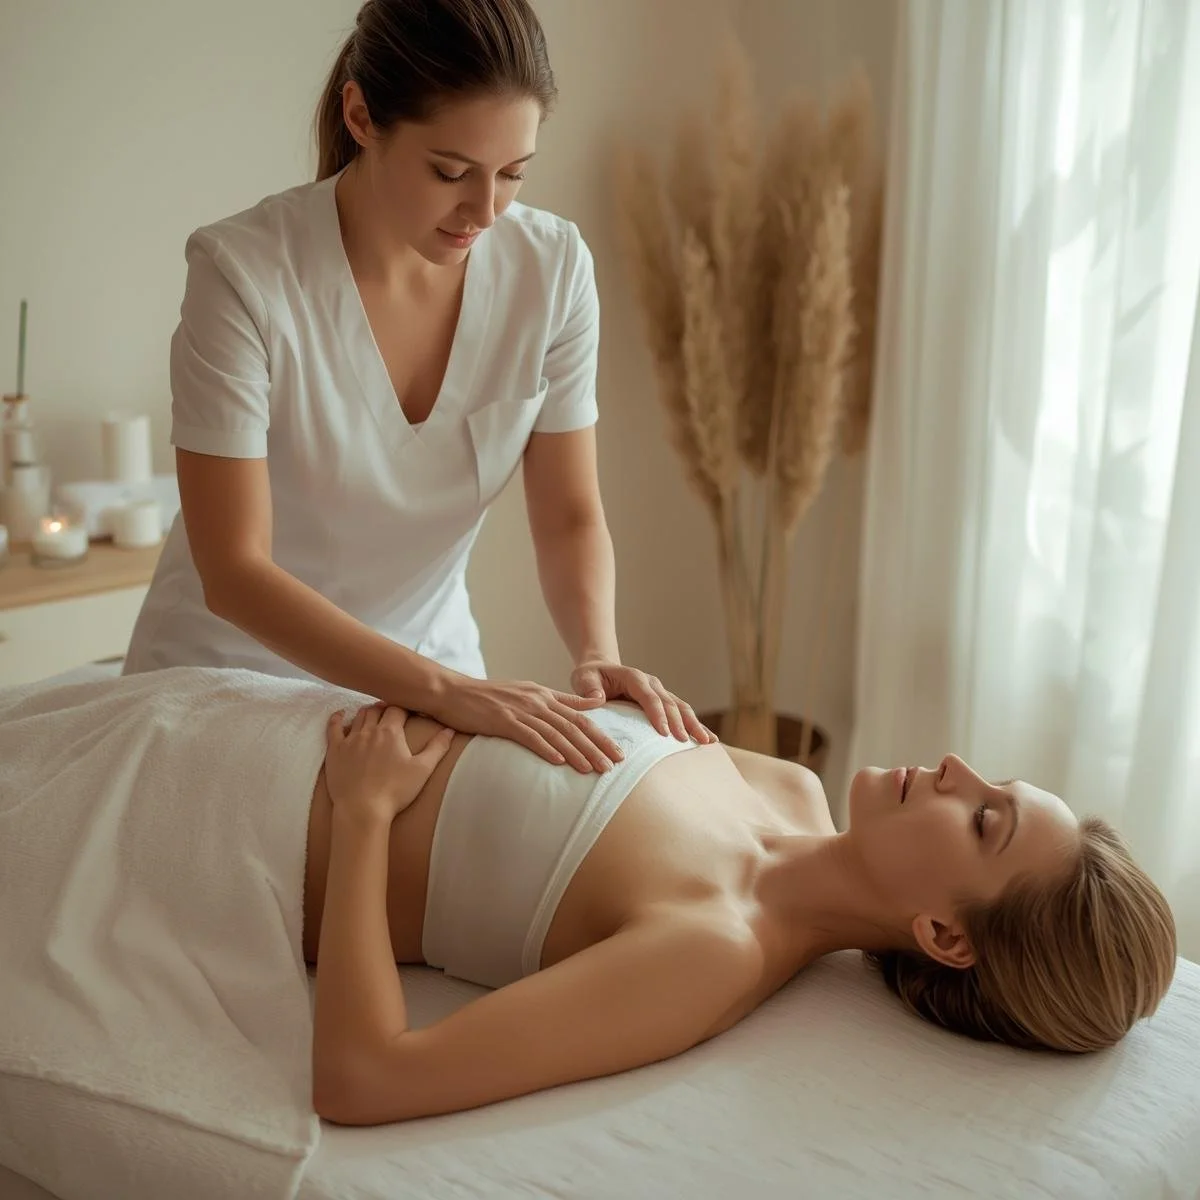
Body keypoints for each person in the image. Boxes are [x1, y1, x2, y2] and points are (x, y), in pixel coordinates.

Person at [122, 0, 713, 773]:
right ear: (362, 116)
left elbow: (570, 514)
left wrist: (596, 653)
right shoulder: (245, 275)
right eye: (450, 171)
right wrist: (448, 692)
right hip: (232, 681)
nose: (486, 210)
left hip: (431, 681)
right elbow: (234, 571)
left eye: (512, 175)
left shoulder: (554, 270)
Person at [300, 693, 1177, 1125]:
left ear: (945, 936)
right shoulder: (787, 786)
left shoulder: (714, 951)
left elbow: (365, 1077)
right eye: (994, 779)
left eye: (986, 819)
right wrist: (605, 685)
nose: (955, 767)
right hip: (274, 707)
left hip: (242, 826)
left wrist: (365, 817)